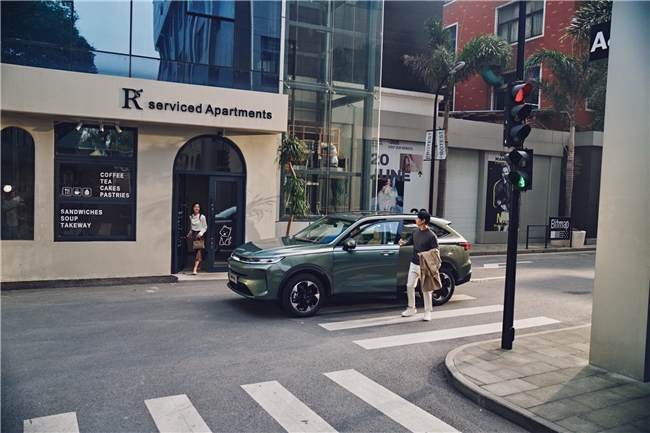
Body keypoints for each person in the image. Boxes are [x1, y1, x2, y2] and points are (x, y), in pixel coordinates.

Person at [398, 210, 439, 321]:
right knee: (410, 286)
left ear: (423, 220)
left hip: (424, 266)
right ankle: (411, 308)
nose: (416, 219)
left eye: (417, 218)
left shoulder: (431, 235)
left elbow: (435, 251)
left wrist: (424, 254)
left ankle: (427, 312)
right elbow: (411, 241)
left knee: (426, 289)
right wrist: (404, 243)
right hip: (414, 263)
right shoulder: (415, 231)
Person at [186, 202, 207, 275]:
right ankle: (199, 265)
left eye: (198, 207)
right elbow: (192, 227)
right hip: (194, 234)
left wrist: (201, 233)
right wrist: (190, 232)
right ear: (193, 208)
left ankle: (195, 268)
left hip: (200, 235)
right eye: (195, 207)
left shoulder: (202, 217)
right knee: (197, 251)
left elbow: (205, 227)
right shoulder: (191, 216)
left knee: (198, 251)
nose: (196, 208)